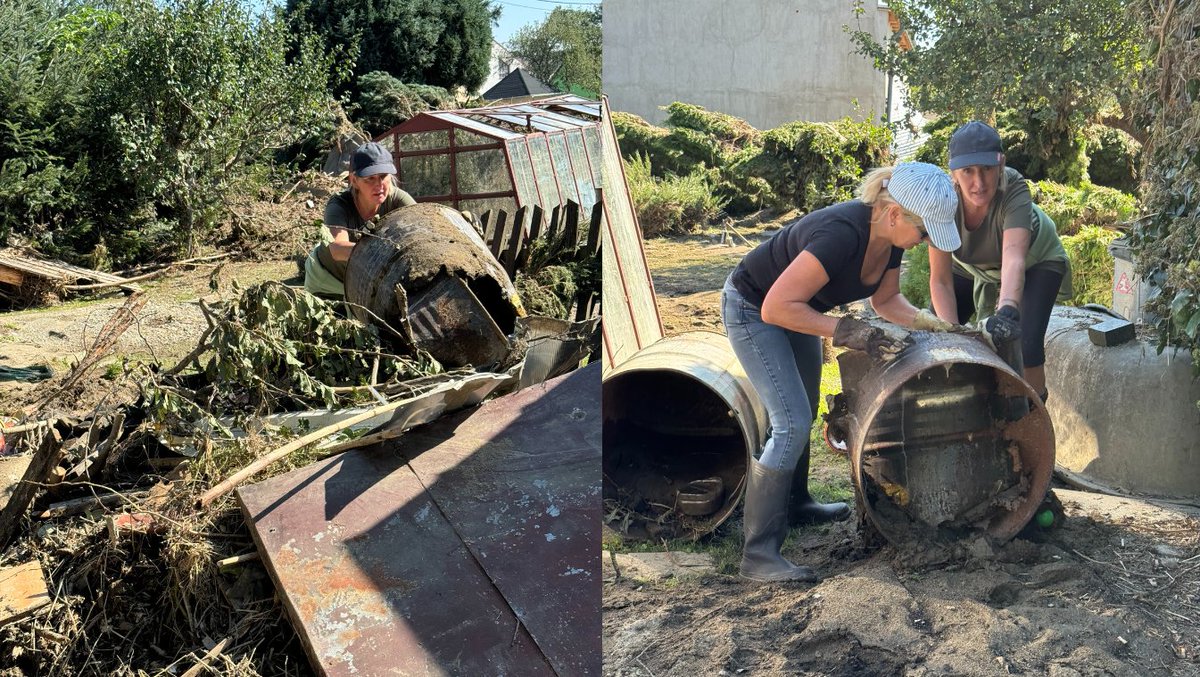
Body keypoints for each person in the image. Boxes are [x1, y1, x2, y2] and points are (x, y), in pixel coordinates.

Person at [722, 161, 962, 582]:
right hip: (753, 310)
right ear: (894, 213)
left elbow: (886, 302)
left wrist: (927, 322)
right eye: (924, 233)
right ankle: (758, 555)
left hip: (800, 309)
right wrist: (847, 331)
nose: (924, 243)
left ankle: (795, 503)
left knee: (806, 408)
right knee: (791, 421)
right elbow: (774, 307)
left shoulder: (893, 239)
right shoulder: (840, 235)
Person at [926, 121, 1073, 401]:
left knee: (1026, 346)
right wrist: (952, 333)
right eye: (967, 171)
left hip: (1036, 261)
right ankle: (956, 407)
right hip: (971, 266)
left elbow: (1014, 259)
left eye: (987, 170)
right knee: (937, 332)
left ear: (1001, 164)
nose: (978, 183)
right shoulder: (941, 198)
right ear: (952, 172)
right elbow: (941, 280)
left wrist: (1007, 311)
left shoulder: (1014, 186)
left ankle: (1033, 420)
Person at [304, 141, 417, 298]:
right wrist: (382, 253)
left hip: (364, 281)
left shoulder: (398, 199)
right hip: (328, 279)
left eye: (384, 176)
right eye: (370, 178)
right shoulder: (339, 204)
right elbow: (337, 249)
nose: (379, 185)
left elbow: (423, 228)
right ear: (354, 180)